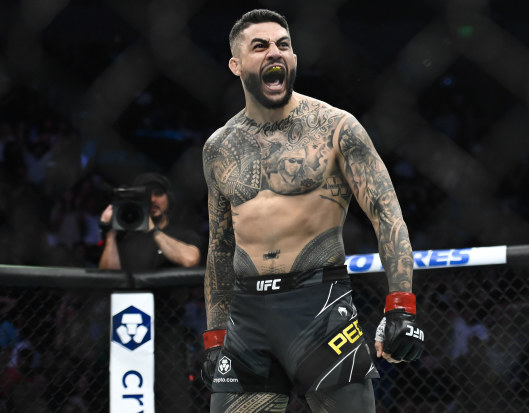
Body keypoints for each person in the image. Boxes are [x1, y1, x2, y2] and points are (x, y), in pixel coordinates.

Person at [201, 9, 425, 412]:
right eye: (261, 46)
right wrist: (215, 335)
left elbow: (387, 215)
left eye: (283, 45)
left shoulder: (335, 128)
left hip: (319, 306)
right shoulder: (219, 148)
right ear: (236, 65)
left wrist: (401, 305)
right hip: (248, 315)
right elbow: (219, 246)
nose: (276, 52)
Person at [98, 172, 202, 271]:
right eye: (145, 195)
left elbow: (190, 260)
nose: (152, 200)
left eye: (158, 194)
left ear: (168, 198)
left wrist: (153, 230)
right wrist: (110, 234)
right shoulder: (124, 236)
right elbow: (109, 277)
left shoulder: (184, 234)